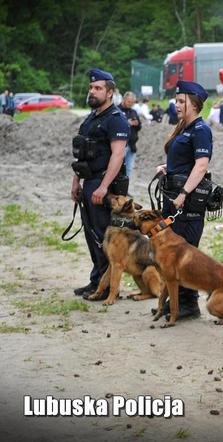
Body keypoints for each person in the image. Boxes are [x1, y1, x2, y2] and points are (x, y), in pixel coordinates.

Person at [153, 80, 213, 319]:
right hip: (174, 199)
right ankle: (175, 302)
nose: (176, 105)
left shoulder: (201, 130)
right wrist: (167, 168)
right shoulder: (184, 128)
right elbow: (185, 162)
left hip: (186, 204)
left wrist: (183, 193)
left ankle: (189, 304)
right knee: (172, 254)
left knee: (185, 255)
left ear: (195, 105)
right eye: (176, 101)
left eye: (181, 101)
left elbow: (201, 165)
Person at [70, 68, 129, 299]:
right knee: (91, 235)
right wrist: (76, 181)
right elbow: (81, 154)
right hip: (88, 182)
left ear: (110, 93)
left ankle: (106, 287)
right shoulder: (91, 118)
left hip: (103, 185)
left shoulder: (116, 119)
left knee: (105, 238)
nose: (92, 91)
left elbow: (118, 155)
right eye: (91, 88)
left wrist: (104, 186)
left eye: (98, 88)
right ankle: (97, 280)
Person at [118, 91, 141, 181]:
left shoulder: (133, 112)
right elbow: (114, 126)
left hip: (132, 145)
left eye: (132, 102)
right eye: (129, 102)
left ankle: (125, 189)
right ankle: (115, 189)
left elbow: (139, 127)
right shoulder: (116, 110)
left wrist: (136, 124)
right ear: (124, 100)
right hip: (121, 144)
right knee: (117, 167)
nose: (131, 104)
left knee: (128, 168)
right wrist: (127, 123)